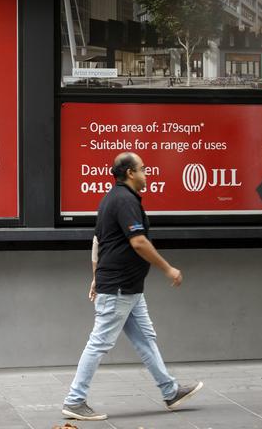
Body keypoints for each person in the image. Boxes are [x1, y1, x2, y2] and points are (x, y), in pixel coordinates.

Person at [62, 152, 203, 421]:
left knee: (145, 339)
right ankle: (74, 400)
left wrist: (96, 275)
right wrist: (168, 268)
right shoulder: (125, 200)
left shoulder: (111, 198)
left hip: (128, 288)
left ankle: (170, 391)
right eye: (143, 169)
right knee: (99, 343)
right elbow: (138, 242)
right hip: (119, 287)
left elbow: (99, 241)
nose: (147, 173)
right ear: (130, 173)